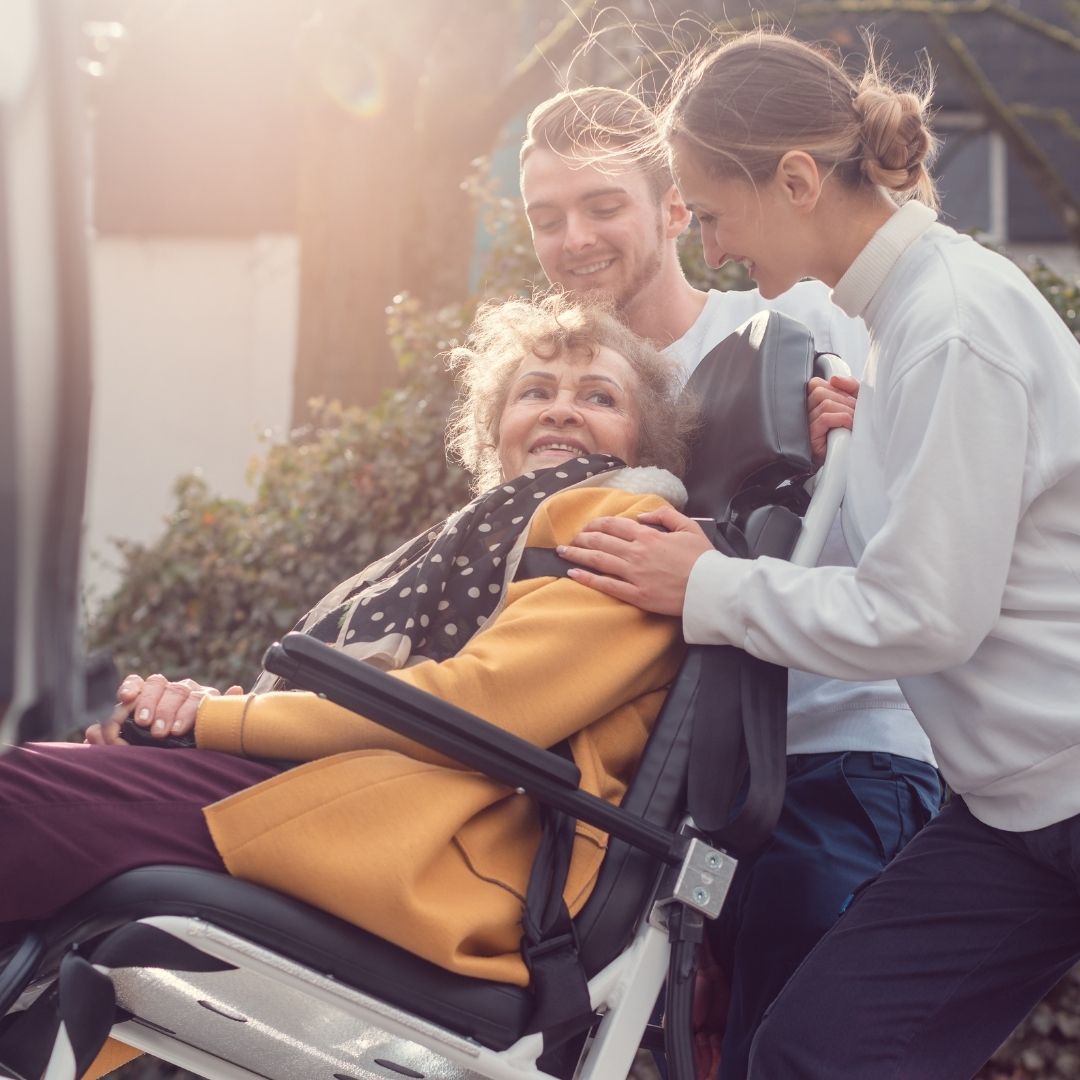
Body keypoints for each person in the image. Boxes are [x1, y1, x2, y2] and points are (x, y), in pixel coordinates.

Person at [557, 31, 1080, 1079]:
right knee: (813, 1053)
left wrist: (703, 586)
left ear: (796, 180)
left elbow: (927, 616)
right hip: (1015, 814)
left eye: (711, 214)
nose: (709, 248)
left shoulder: (952, 324)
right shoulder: (902, 329)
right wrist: (873, 423)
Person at [2, 294, 700, 988]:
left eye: (599, 396)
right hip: (358, 800)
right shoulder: (479, 540)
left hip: (441, 849)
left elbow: (474, 704)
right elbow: (334, 692)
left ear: (645, 442)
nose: (560, 408)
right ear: (496, 434)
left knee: (18, 799)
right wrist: (190, 715)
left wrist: (213, 723)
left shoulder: (628, 528)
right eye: (536, 391)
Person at [521, 85, 942, 1076]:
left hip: (831, 757)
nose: (573, 237)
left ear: (678, 209)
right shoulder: (568, 390)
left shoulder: (789, 318)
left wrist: (866, 434)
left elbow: (912, 517)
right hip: (665, 795)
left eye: (601, 205)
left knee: (796, 1043)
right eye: (547, 217)